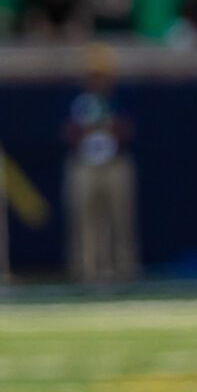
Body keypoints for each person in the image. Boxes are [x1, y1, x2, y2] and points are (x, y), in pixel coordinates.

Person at [62, 50, 138, 286]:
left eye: (102, 76)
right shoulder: (78, 102)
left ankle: (124, 268)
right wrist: (89, 126)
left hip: (114, 163)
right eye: (93, 76)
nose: (97, 81)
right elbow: (67, 133)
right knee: (84, 218)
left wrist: (108, 124)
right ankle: (85, 269)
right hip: (84, 164)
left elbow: (129, 131)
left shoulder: (120, 99)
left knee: (120, 217)